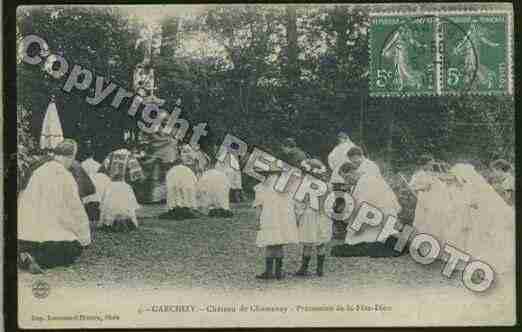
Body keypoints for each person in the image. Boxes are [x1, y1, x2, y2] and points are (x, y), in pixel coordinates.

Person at [18, 139, 91, 274]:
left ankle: (25, 254)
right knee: (73, 249)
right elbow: (76, 209)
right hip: (51, 236)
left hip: (27, 233)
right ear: (71, 157)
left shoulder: (39, 171)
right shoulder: (65, 176)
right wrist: (84, 237)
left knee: (38, 241)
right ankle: (38, 259)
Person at [451, 163, 515, 275]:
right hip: (475, 215)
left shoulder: (475, 185)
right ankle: (473, 261)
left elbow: (476, 202)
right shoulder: (471, 185)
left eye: (457, 176)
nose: (457, 179)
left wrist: (465, 204)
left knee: (484, 238)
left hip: (483, 215)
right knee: (473, 238)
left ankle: (487, 263)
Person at [336, 160, 401, 257]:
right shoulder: (366, 177)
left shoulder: (364, 182)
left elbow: (361, 204)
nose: (346, 181)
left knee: (357, 232)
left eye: (346, 177)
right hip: (383, 211)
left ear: (352, 172)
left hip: (383, 212)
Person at [254, 169, 300, 280]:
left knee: (270, 244)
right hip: (285, 218)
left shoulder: (261, 187)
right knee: (279, 243)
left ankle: (269, 272)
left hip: (269, 217)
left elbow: (258, 206)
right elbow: (295, 204)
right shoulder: (289, 186)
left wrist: (257, 220)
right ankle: (279, 272)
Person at [294, 158, 332, 277]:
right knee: (321, 243)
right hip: (323, 215)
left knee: (308, 243)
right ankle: (319, 270)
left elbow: (300, 204)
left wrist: (297, 217)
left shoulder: (304, 185)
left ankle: (304, 268)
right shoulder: (327, 186)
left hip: (309, 215)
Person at [161, 144, 200, 219]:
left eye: (189, 152)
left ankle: (180, 206)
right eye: (184, 152)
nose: (188, 155)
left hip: (184, 180)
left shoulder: (188, 170)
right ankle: (179, 206)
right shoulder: (176, 170)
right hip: (178, 179)